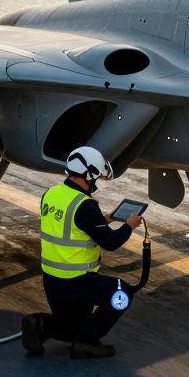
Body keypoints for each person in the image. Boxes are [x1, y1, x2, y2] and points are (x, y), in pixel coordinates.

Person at [21, 146, 143, 359]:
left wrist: (101, 221)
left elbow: (67, 226)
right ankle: (85, 344)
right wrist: (129, 226)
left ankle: (39, 323)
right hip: (77, 283)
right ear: (89, 175)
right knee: (122, 293)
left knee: (76, 327)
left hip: (52, 282)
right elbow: (111, 242)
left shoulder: (51, 194)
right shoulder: (84, 206)